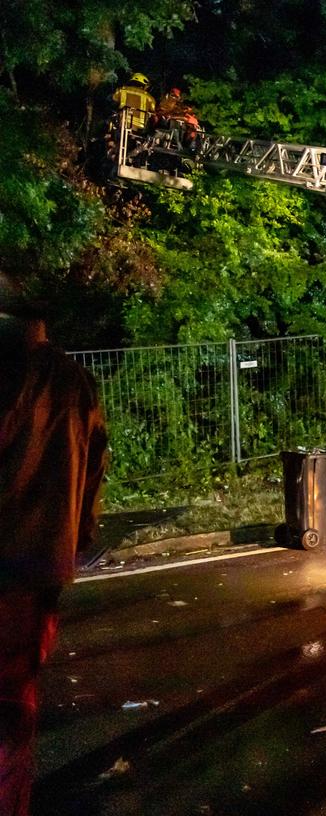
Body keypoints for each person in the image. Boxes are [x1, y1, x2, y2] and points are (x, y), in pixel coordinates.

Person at [0, 271, 109, 815]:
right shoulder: (73, 381)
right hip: (38, 569)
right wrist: (74, 541)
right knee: (14, 713)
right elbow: (93, 474)